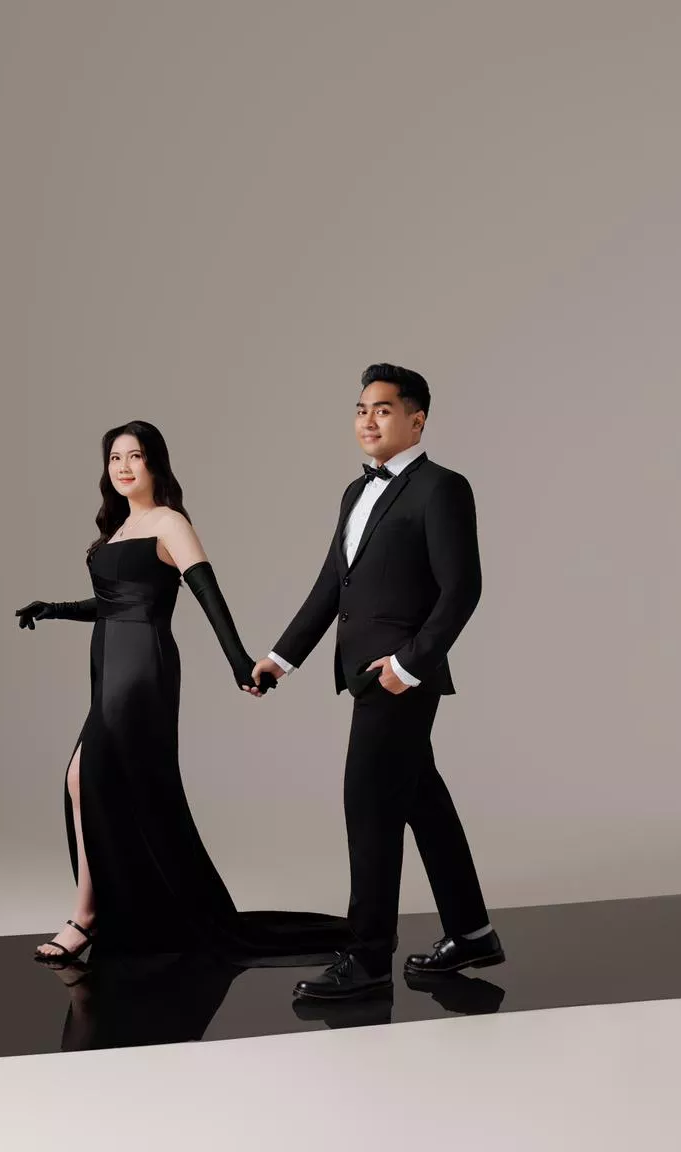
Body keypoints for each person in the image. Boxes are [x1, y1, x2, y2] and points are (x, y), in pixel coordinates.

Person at [15, 420, 349, 967]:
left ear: (155, 463)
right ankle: (108, 910)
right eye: (114, 458)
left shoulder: (170, 523)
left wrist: (240, 662)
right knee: (92, 781)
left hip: (143, 667)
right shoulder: (119, 529)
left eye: (135, 456)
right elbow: (113, 602)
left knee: (83, 776)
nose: (123, 467)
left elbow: (207, 596)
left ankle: (86, 915)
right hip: (108, 665)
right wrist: (53, 608)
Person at [249, 363, 503, 1000]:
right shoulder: (353, 493)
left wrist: (406, 667)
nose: (368, 420)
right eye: (361, 409)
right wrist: (280, 658)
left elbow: (462, 589)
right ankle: (472, 933)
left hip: (398, 678)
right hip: (362, 673)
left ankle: (367, 962)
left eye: (383, 409)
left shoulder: (442, 488)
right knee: (423, 802)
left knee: (368, 808)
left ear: (417, 420)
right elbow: (331, 584)